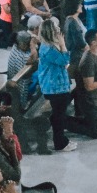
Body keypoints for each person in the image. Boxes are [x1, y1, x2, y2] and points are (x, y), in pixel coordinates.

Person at [35, 22, 75, 151]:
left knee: (59, 114)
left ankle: (62, 139)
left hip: (57, 85)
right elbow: (64, 61)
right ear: (51, 32)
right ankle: (60, 143)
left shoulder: (49, 46)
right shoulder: (48, 49)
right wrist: (63, 44)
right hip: (54, 88)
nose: (59, 30)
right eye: (56, 28)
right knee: (59, 116)